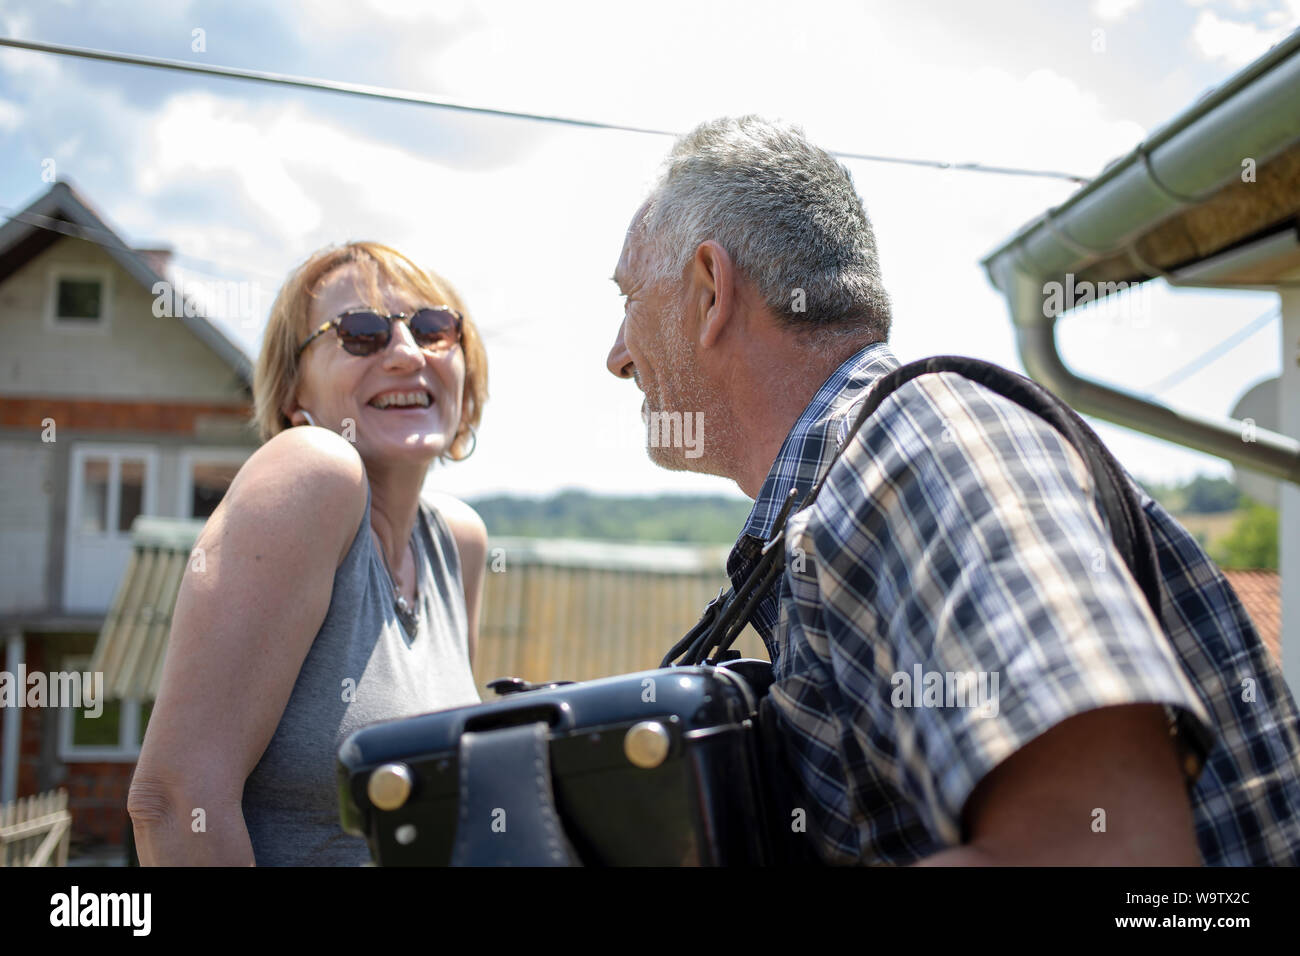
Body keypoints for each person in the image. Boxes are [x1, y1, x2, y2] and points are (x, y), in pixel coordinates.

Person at [605, 116, 1300, 865]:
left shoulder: (923, 445)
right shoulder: (867, 481)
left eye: (627, 300)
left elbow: (1105, 854)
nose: (616, 357)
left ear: (711, 291)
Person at [128, 242, 489, 865]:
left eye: (434, 329)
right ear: (295, 393)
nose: (406, 353)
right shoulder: (315, 471)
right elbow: (173, 800)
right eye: (361, 333)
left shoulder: (459, 543)